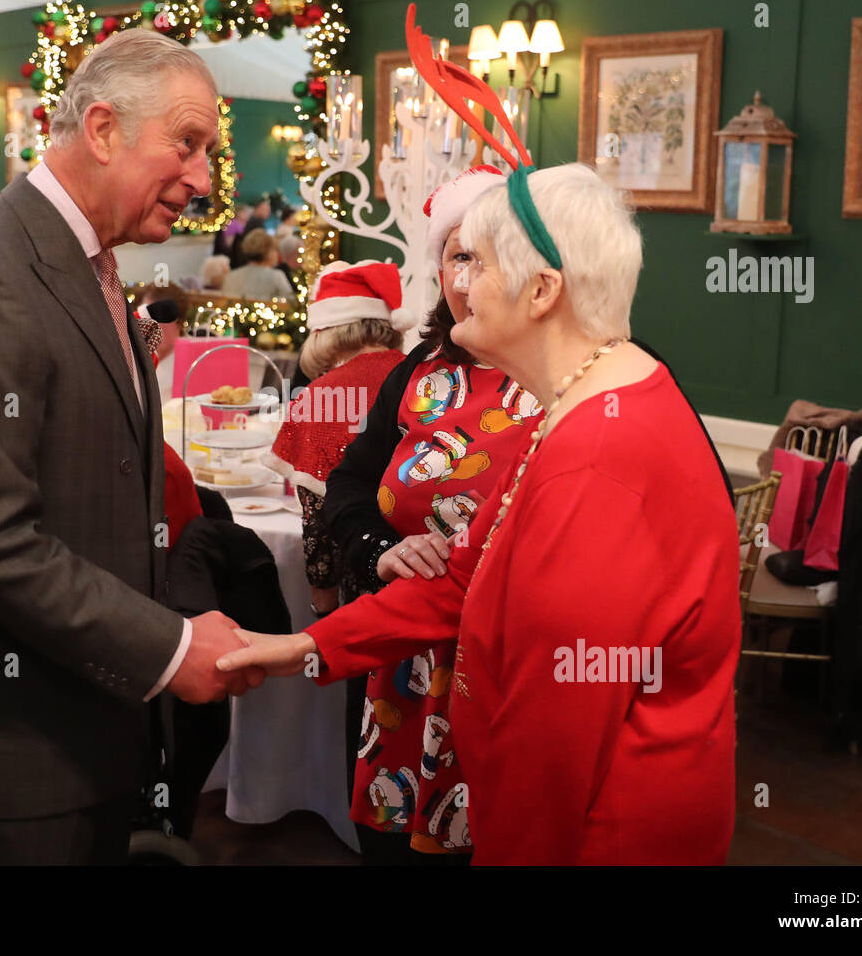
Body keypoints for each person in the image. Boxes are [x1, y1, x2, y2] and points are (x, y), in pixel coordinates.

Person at [220, 163, 742, 865]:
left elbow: (554, 752)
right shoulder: (580, 402)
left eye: (479, 263)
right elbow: (462, 578)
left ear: (542, 291)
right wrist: (307, 647)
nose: (457, 282)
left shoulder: (597, 452)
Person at [0, 28, 264, 866]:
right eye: (187, 143)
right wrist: (170, 646)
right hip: (3, 765)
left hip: (81, 736)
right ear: (102, 129)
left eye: (208, 151)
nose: (203, 178)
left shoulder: (88, 262)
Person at [313, 165, 543, 864]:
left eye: (489, 253)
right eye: (456, 254)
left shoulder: (578, 374)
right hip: (400, 668)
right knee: (390, 846)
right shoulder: (414, 371)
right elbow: (347, 486)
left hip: (513, 668)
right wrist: (378, 547)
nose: (468, 276)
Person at [263, 261, 410, 617]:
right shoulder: (423, 376)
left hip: (367, 582)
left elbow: (319, 528)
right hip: (434, 572)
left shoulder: (318, 397)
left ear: (324, 331)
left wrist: (322, 609)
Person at [222, 229, 295, 301]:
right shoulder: (276, 276)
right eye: (275, 250)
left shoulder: (231, 276)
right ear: (268, 252)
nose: (277, 254)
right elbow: (291, 304)